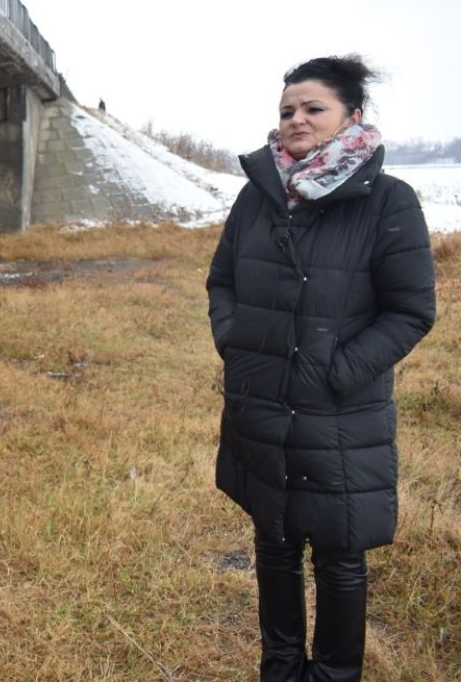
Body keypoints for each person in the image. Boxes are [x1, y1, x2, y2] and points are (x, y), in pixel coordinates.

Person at [207, 55, 435, 681]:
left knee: (339, 552)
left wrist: (336, 371)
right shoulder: (258, 196)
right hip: (260, 401)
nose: (296, 120)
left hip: (340, 411)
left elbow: (411, 311)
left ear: (352, 117)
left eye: (313, 108)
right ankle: (280, 670)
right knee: (274, 543)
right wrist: (237, 344)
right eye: (287, 110)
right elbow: (223, 282)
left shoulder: (387, 200)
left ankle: (335, 675)